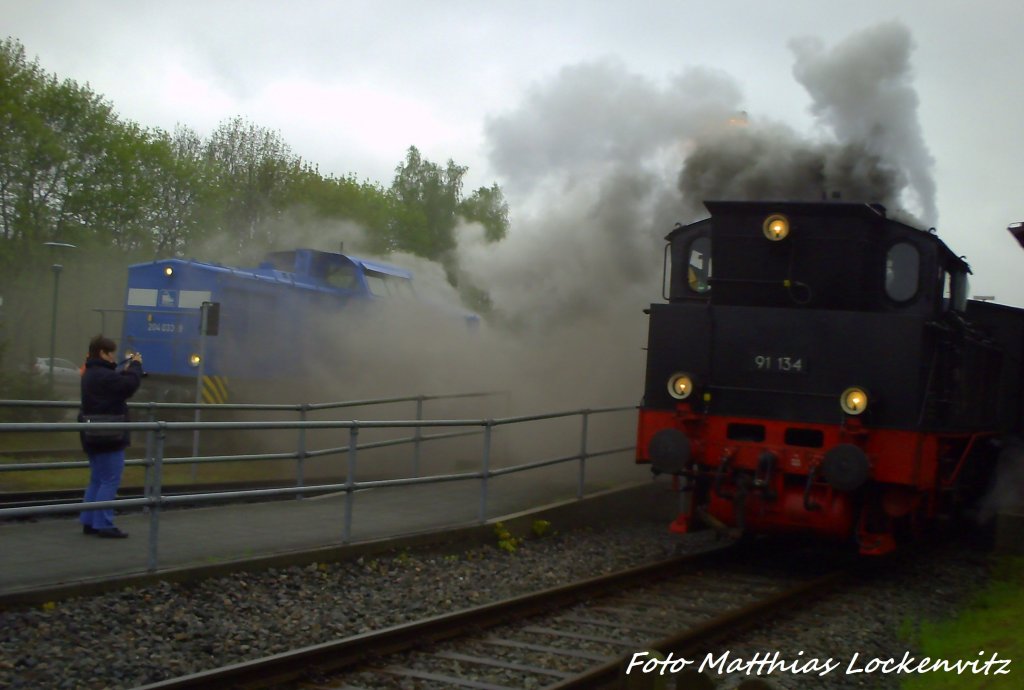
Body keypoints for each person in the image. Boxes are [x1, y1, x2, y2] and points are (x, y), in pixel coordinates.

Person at [78, 335, 143, 538]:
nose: (113, 357)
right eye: (111, 353)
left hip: (91, 433)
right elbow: (128, 386)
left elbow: (114, 385)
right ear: (102, 353)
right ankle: (104, 525)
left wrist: (124, 371)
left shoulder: (91, 372)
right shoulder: (103, 375)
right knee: (110, 480)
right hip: (108, 434)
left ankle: (89, 522)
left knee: (97, 480)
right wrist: (135, 367)